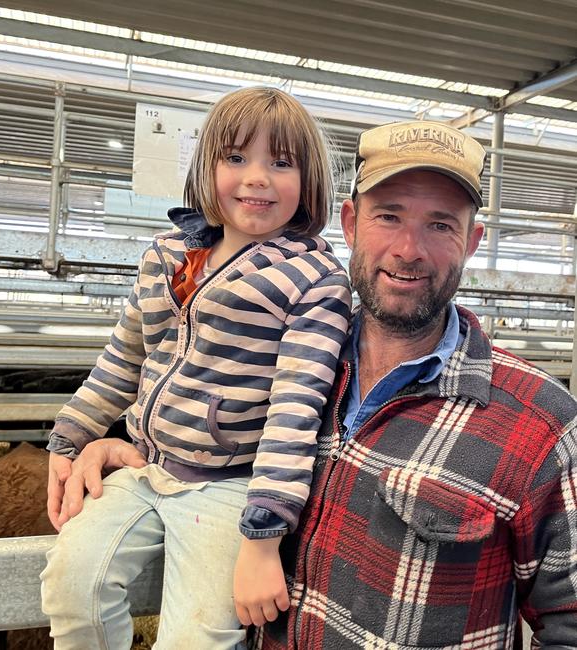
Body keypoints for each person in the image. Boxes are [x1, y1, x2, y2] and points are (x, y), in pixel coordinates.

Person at [40, 86, 351, 650]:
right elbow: (123, 359)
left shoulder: (314, 281)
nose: (256, 177)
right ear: (206, 169)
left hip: (230, 488)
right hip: (143, 467)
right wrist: (68, 441)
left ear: (309, 183)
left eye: (280, 163)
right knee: (72, 584)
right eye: (235, 158)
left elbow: (295, 409)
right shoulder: (167, 257)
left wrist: (262, 537)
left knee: (196, 639)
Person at [258, 121, 577, 649]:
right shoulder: (282, 362)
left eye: (440, 225)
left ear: (472, 241)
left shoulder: (542, 424)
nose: (409, 249)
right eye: (388, 216)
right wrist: (109, 447)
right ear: (351, 223)